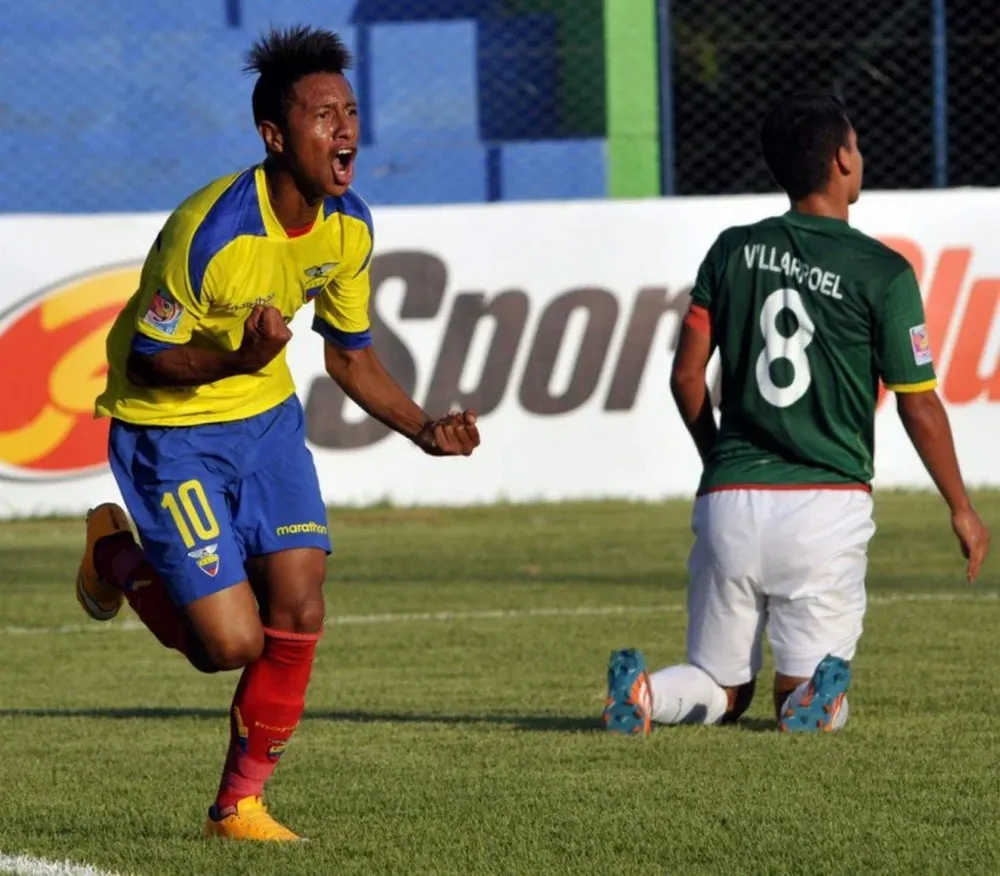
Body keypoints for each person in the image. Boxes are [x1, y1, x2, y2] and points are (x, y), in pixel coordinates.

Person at [75, 25, 480, 841]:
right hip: (169, 433)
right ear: (274, 135)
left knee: (299, 604)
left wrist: (423, 429)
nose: (345, 129)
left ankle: (237, 806)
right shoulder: (211, 232)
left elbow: (350, 357)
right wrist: (239, 358)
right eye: (323, 116)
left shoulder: (349, 226)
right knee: (226, 645)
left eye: (350, 112)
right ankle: (113, 555)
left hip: (263, 427)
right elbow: (149, 360)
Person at [602, 93, 990, 737]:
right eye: (856, 144)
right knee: (800, 698)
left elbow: (686, 377)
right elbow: (918, 402)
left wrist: (718, 460)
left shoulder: (731, 250)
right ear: (842, 159)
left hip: (730, 499)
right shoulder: (883, 272)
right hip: (825, 506)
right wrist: (961, 506)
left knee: (721, 684)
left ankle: (646, 694)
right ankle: (813, 700)